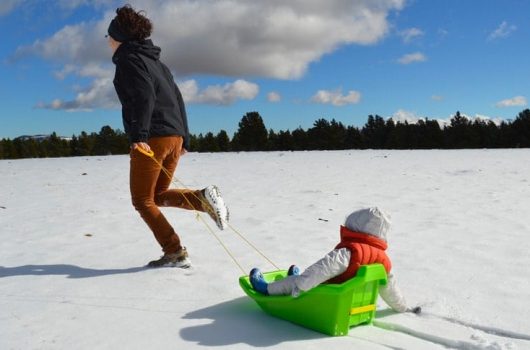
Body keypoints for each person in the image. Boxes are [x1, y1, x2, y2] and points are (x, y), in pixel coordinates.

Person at [108, 5, 229, 268]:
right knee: (159, 195)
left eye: (109, 36)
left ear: (119, 37)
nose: (107, 41)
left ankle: (174, 251)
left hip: (152, 138)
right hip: (173, 137)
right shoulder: (157, 63)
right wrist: (184, 137)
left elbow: (143, 96)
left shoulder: (129, 60)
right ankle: (202, 198)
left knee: (142, 200)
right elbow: (177, 98)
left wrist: (138, 135)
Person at [249, 207, 421, 313]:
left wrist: (300, 286)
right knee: (307, 277)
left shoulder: (351, 251)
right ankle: (299, 278)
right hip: (354, 306)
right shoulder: (383, 261)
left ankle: (266, 288)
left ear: (356, 228)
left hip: (332, 297)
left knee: (295, 281)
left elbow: (323, 269)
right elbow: (390, 288)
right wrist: (403, 307)